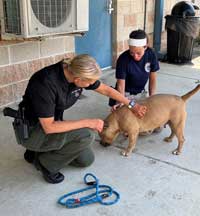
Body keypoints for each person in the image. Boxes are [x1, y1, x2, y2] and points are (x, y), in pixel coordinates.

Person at [13, 54, 146, 184]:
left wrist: (132, 104)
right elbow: (49, 127)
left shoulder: (75, 71)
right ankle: (46, 164)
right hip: (34, 130)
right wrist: (89, 122)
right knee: (86, 135)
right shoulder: (45, 83)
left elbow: (106, 90)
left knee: (86, 160)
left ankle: (37, 152)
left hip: (51, 124)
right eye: (90, 82)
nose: (92, 84)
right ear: (78, 80)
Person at [109, 29, 160, 108]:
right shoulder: (123, 59)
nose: (135, 56)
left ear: (145, 47)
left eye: (138, 53)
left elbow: (153, 79)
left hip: (141, 93)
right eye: (132, 52)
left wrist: (152, 98)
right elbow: (120, 84)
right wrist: (121, 101)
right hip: (125, 94)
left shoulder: (151, 54)